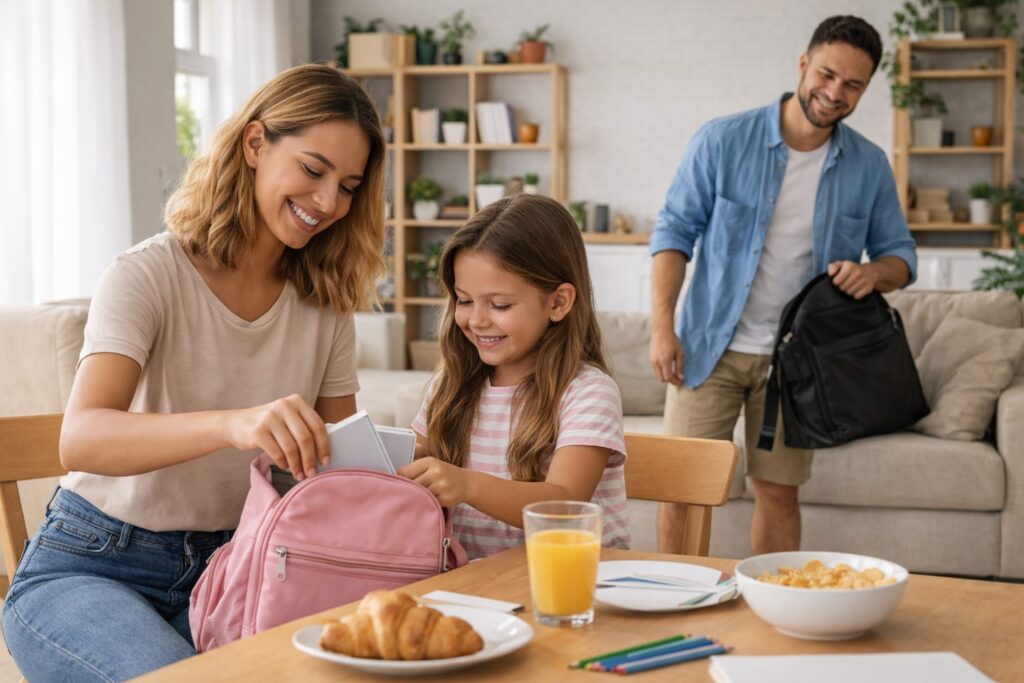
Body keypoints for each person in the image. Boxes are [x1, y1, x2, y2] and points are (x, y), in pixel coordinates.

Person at [2, 64, 387, 682]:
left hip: (240, 571)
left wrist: (406, 479)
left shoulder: (326, 303)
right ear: (256, 143)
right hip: (95, 564)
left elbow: (340, 467)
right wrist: (234, 425)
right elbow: (82, 438)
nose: (328, 202)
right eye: (313, 171)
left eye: (348, 186)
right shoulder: (149, 274)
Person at [648, 16, 917, 556]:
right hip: (709, 350)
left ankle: (774, 613)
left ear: (866, 89)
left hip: (798, 364)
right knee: (681, 491)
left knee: (778, 493)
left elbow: (901, 258)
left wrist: (872, 273)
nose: (834, 92)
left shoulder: (868, 166)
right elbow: (673, 233)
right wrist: (662, 328)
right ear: (803, 64)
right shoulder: (723, 140)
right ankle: (671, 599)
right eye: (827, 74)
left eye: (853, 85)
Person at [400, 195, 630, 559]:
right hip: (477, 589)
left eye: (500, 305)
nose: (476, 320)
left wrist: (466, 484)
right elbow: (418, 455)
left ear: (558, 303)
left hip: (572, 594)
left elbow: (564, 501)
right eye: (464, 300)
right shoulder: (452, 382)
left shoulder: (587, 392)